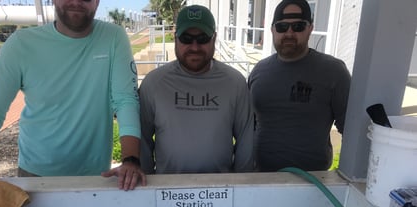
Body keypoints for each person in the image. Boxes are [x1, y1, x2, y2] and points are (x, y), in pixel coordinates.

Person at [0, 0, 146, 190]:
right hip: (34, 175)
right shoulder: (21, 44)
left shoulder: (113, 37)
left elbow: (125, 100)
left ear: (97, 2)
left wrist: (130, 160)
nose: (77, 2)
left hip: (96, 176)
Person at [139, 5, 254, 174]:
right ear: (175, 38)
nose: (194, 47)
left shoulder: (235, 83)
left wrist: (241, 186)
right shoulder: (154, 83)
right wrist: (147, 186)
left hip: (221, 191)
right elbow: (143, 141)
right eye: (186, 38)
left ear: (214, 39)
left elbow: (246, 140)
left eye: (202, 39)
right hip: (166, 191)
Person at [248, 0, 351, 172]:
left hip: (313, 181)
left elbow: (351, 130)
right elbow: (248, 125)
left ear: (310, 28)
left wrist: (345, 174)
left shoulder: (334, 71)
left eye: (298, 26)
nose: (289, 33)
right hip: (261, 178)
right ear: (272, 30)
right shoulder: (259, 70)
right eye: (282, 27)